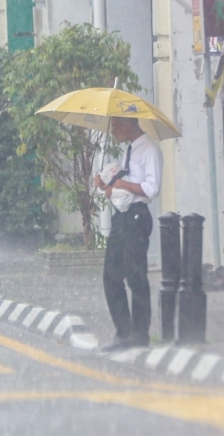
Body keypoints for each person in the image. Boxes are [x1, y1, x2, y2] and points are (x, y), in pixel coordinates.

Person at [93, 117, 162, 351]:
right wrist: (106, 185)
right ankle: (123, 332)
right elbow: (121, 186)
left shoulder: (149, 151)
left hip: (137, 217)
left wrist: (122, 185)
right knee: (111, 275)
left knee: (135, 276)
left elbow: (151, 189)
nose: (113, 131)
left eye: (116, 126)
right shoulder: (128, 152)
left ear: (128, 123)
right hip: (121, 217)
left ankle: (140, 334)